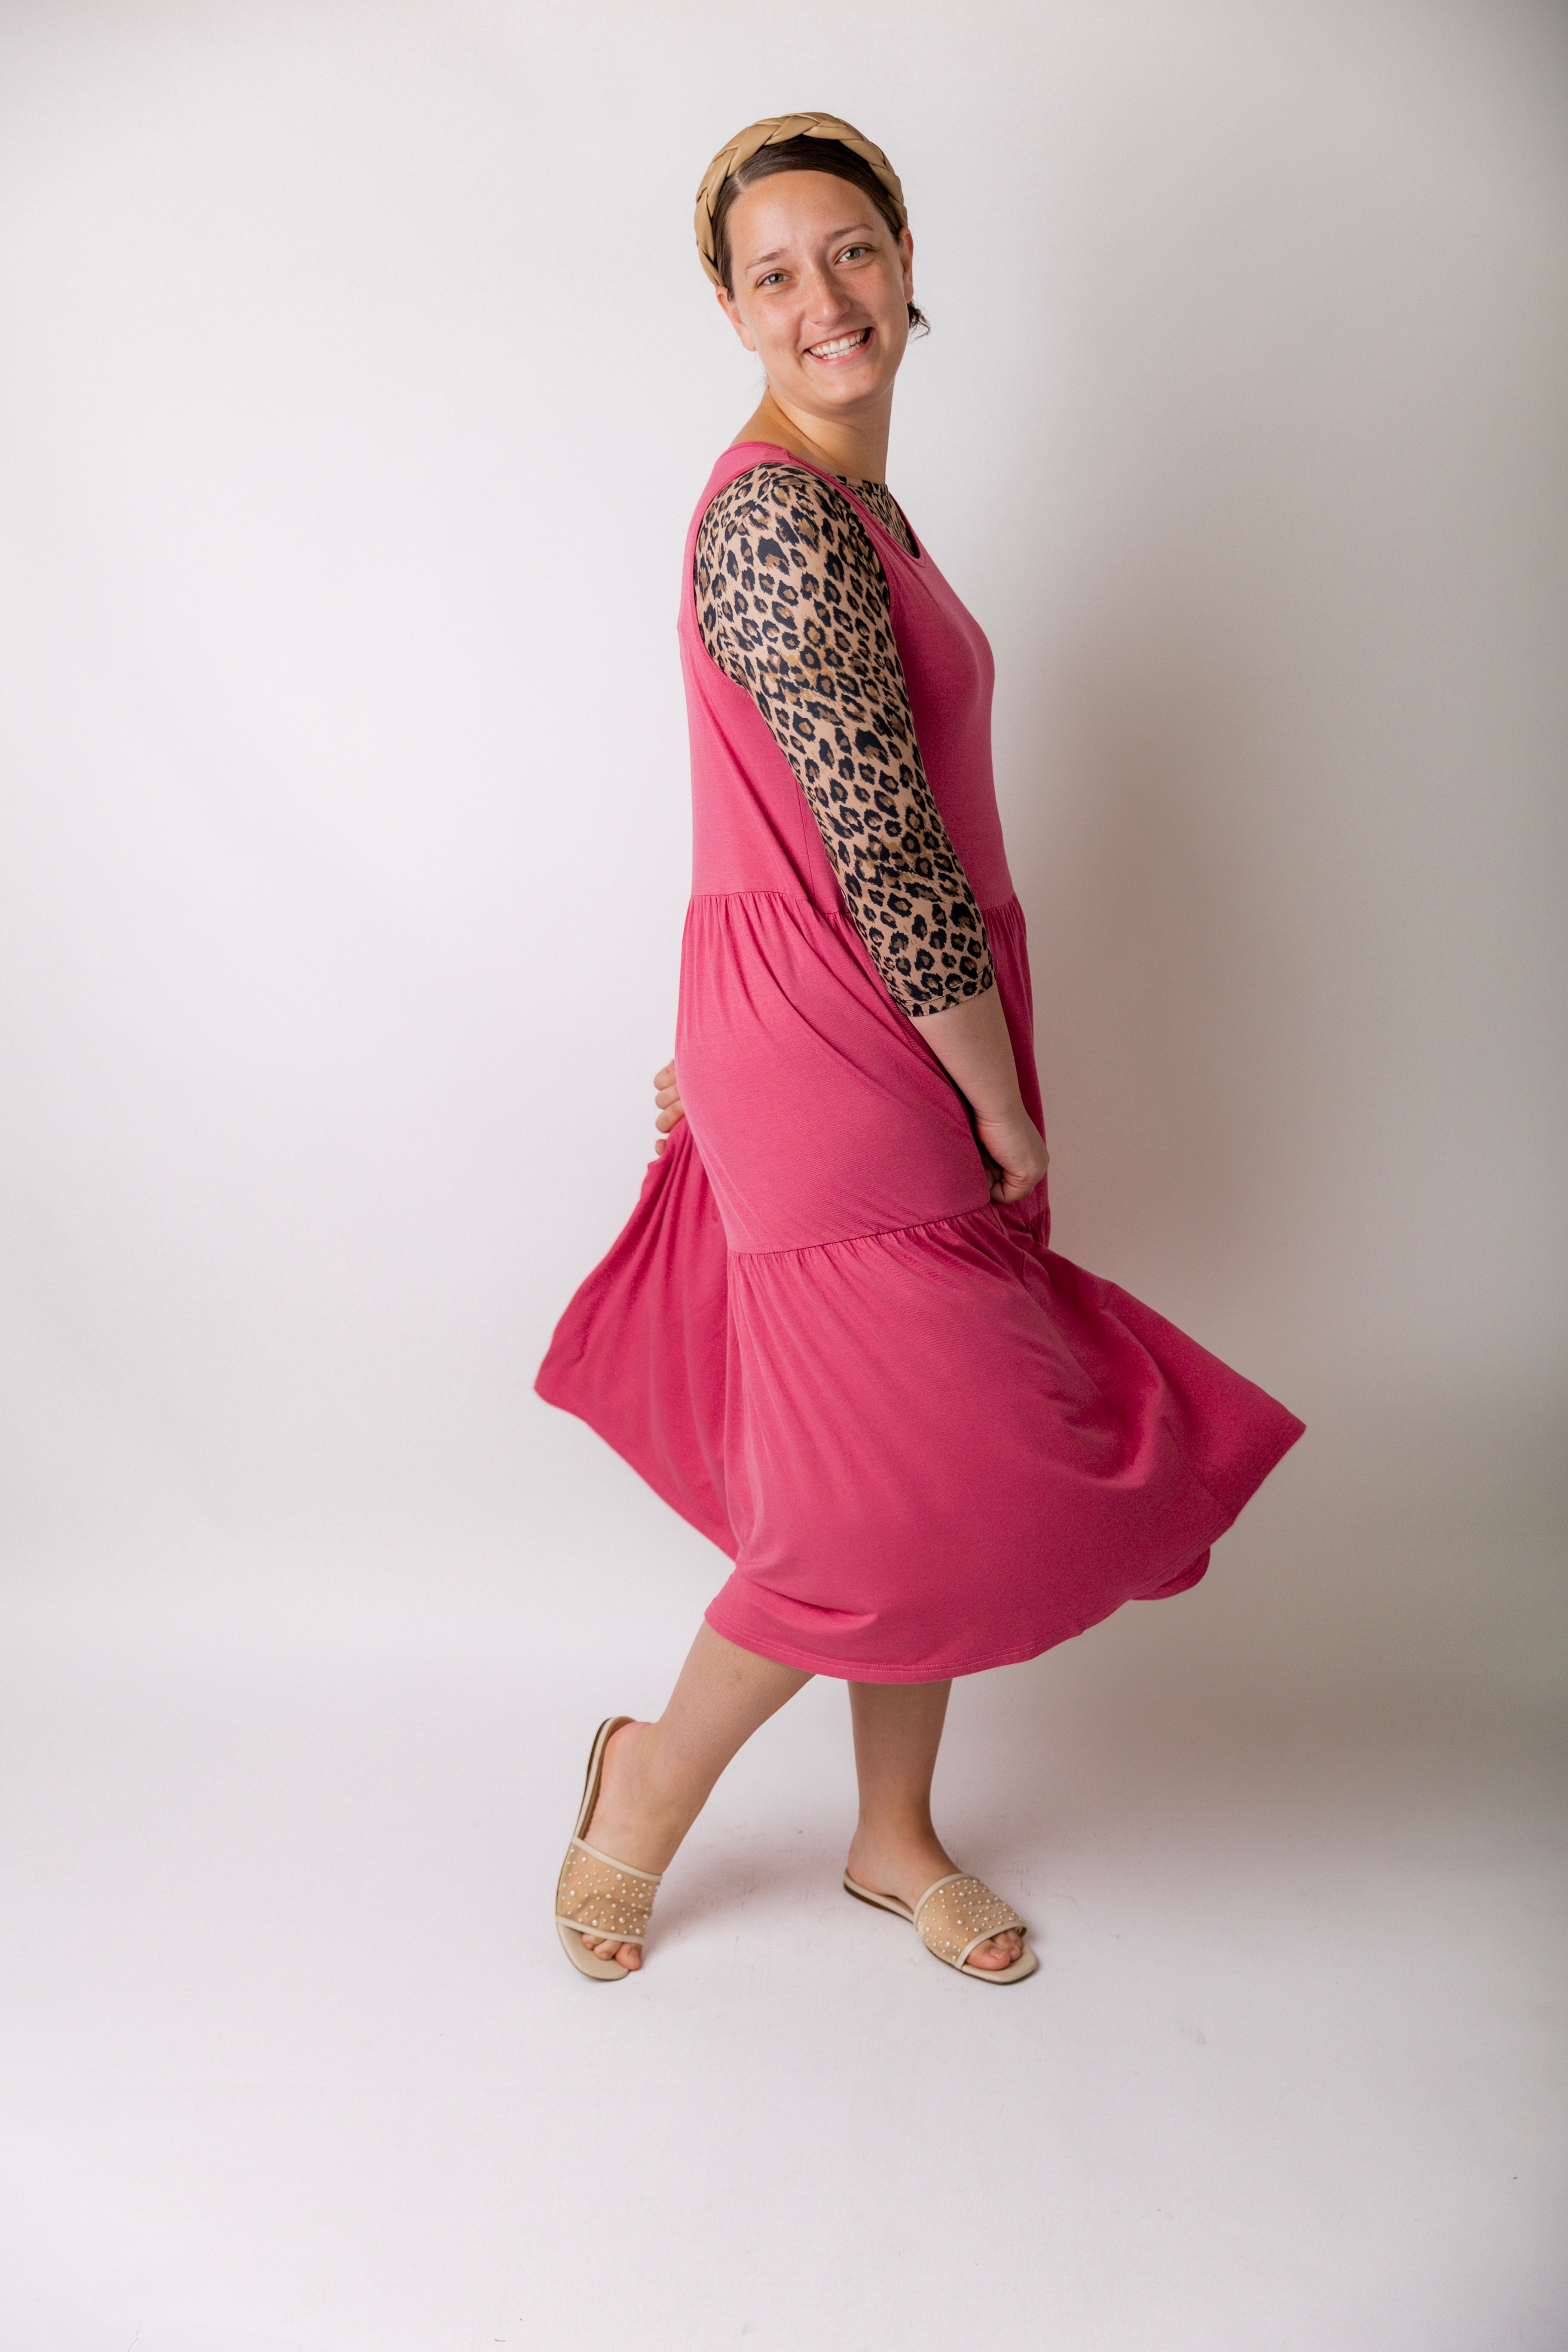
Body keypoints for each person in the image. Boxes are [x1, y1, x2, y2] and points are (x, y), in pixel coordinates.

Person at [537, 112, 1304, 1985]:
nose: (823, 297)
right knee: (884, 1492)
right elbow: (880, 848)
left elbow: (793, 811)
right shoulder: (781, 517)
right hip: (858, 1030)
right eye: (774, 273)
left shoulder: (858, 505)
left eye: (852, 250)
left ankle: (892, 1835)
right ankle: (646, 1781)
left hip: (851, 1008)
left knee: (918, 1470)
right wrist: (993, 1095)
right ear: (731, 311)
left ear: (903, 263)